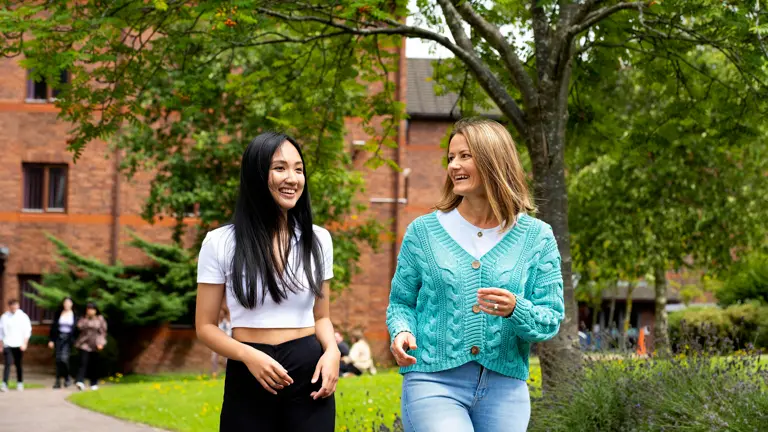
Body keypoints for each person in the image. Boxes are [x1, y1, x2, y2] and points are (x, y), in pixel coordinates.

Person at [386, 118, 565, 432]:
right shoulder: (423, 232)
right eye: (451, 158)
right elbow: (401, 303)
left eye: (465, 156)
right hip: (433, 381)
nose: (454, 165)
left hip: (505, 387)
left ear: (494, 160)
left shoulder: (537, 237)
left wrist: (516, 309)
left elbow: (551, 318)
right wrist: (401, 331)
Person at [196, 132, 339, 432]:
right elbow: (205, 327)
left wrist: (332, 353)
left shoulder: (318, 239)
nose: (292, 178)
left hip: (310, 376)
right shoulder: (220, 242)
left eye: (298, 169)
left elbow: (322, 317)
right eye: (280, 168)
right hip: (249, 370)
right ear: (257, 173)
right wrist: (248, 355)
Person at [0, 299, 32, 392]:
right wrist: (1, 345)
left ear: (18, 306)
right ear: (9, 306)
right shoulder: (4, 317)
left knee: (18, 364)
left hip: (19, 344)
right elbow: (1, 332)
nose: (14, 307)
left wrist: (25, 343)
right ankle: (5, 383)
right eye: (12, 305)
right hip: (8, 343)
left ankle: (20, 382)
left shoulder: (23, 316)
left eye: (15, 305)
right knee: (7, 364)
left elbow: (27, 331)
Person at [74, 302, 107, 391]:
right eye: (88, 309)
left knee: (94, 364)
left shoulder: (100, 319)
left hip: (95, 343)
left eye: (92, 309)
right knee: (83, 362)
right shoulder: (84, 318)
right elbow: (79, 326)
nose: (90, 311)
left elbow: (103, 332)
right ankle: (80, 381)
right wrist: (86, 319)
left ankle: (94, 383)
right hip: (84, 343)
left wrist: (100, 343)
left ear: (96, 310)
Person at [48, 296, 78, 388]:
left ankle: (67, 376)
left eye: (69, 303)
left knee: (64, 359)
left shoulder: (75, 314)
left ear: (72, 304)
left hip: (68, 339)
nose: (67, 304)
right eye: (65, 303)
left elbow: (76, 329)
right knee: (57, 360)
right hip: (58, 338)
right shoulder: (58, 313)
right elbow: (53, 327)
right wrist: (51, 340)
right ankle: (57, 382)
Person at [211, 306, 232, 378]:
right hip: (216, 343)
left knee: (227, 359)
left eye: (221, 312)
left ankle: (228, 374)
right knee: (214, 358)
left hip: (226, 343)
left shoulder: (226, 324)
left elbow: (229, 333)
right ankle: (214, 373)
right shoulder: (215, 323)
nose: (220, 314)